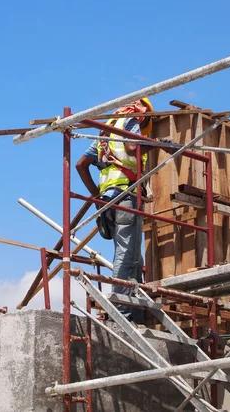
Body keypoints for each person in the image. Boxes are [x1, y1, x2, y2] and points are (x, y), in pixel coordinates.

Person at [76, 97, 164, 323]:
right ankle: (121, 312)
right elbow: (132, 146)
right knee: (126, 255)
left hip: (108, 201)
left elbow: (81, 164)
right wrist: (156, 143)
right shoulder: (130, 120)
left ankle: (134, 313)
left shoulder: (104, 133)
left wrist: (96, 196)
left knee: (133, 255)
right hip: (125, 196)